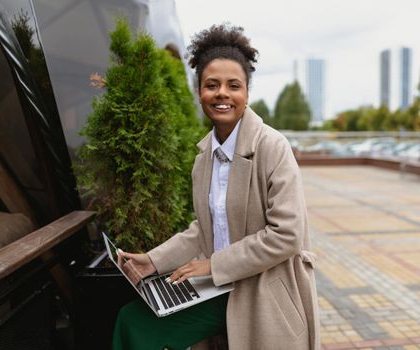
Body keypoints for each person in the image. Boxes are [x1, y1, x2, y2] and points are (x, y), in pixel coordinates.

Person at [113, 23, 319, 350]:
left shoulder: (272, 147)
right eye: (212, 85)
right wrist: (152, 261)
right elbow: (203, 229)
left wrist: (213, 265)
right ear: (200, 92)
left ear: (246, 93)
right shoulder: (204, 157)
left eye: (233, 85)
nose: (222, 93)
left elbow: (287, 235)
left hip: (264, 288)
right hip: (218, 288)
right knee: (134, 321)